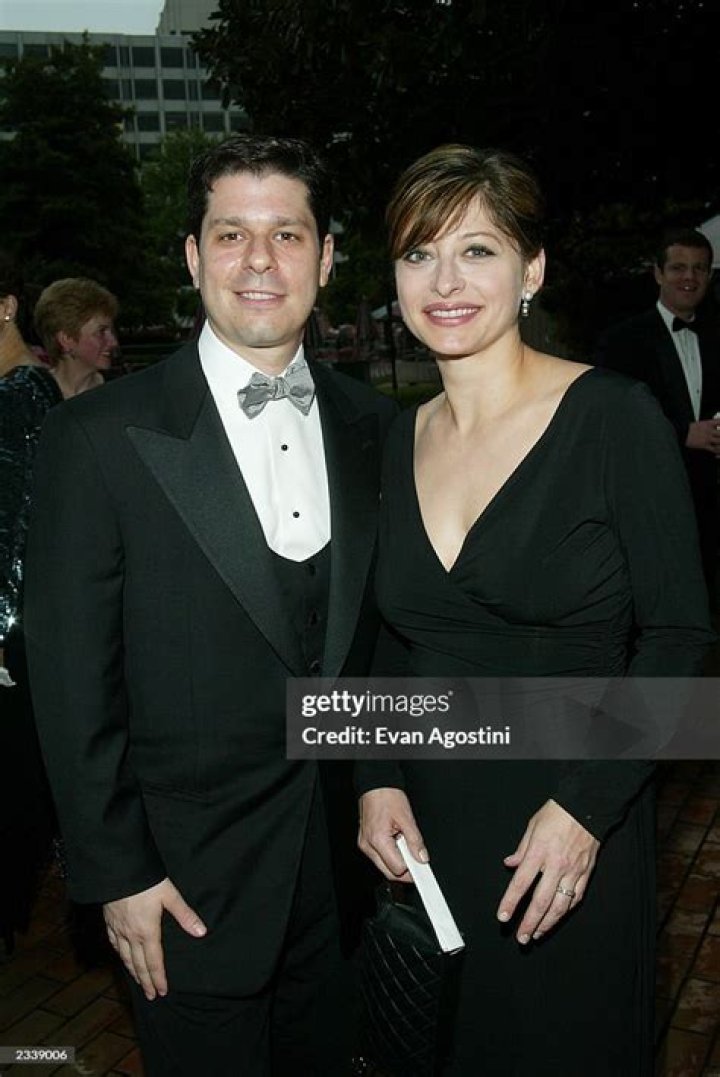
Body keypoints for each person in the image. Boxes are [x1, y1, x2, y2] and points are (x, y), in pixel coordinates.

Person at [24, 135, 396, 1076]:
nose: (260, 260)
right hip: (182, 888)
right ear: (193, 256)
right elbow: (69, 681)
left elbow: (373, 640)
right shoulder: (96, 436)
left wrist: (383, 777)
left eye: (288, 234)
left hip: (341, 876)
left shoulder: (377, 426)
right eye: (232, 234)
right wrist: (117, 872)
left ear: (327, 256)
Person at [357, 146, 714, 1076]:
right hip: (431, 829)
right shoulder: (399, 436)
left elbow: (680, 636)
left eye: (477, 250)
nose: (444, 281)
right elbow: (393, 635)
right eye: (419, 253)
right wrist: (373, 775)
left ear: (532, 270)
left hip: (566, 825)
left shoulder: (613, 416)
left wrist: (586, 809)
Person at [594, 228, 720, 595]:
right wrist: (682, 432)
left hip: (709, 504)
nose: (689, 277)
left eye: (699, 268)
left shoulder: (716, 335)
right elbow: (610, 419)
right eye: (678, 267)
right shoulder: (622, 341)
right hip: (647, 501)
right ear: (658, 274)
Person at [0, 251, 61, 953]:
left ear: (7, 306)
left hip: (11, 644)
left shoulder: (21, 394)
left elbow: (17, 528)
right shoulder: (23, 388)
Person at [33, 276, 119, 397]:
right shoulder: (34, 397)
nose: (113, 342)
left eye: (111, 331)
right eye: (101, 332)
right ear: (67, 339)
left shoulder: (120, 392)